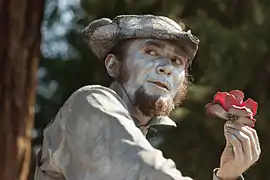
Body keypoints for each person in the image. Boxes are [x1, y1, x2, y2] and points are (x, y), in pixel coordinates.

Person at [34, 14, 261, 180]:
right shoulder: (91, 103)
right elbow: (144, 173)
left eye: (177, 61)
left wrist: (227, 176)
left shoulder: (138, 138)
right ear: (113, 65)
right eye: (151, 52)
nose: (166, 68)